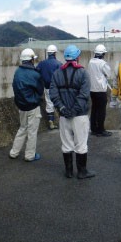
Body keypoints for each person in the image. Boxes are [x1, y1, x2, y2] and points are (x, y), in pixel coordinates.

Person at [49, 45, 95, 179]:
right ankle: (82, 172)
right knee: (81, 144)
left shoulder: (57, 73)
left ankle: (68, 171)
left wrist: (62, 108)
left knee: (66, 144)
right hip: (79, 115)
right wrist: (74, 110)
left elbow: (53, 93)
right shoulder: (83, 73)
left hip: (64, 116)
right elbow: (84, 94)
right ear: (77, 57)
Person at [9, 48, 44, 161]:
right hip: (33, 106)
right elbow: (40, 91)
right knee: (32, 132)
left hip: (21, 106)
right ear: (31, 60)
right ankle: (30, 155)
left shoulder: (17, 72)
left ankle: (14, 152)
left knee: (22, 128)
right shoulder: (35, 74)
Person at [87, 44, 112, 137]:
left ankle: (93, 129)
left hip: (92, 90)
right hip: (101, 90)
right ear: (102, 54)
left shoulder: (90, 62)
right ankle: (101, 130)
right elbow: (109, 74)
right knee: (101, 111)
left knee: (94, 109)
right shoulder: (102, 63)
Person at [36, 44, 62, 130]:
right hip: (57, 87)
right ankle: (63, 122)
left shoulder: (42, 63)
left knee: (49, 103)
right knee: (59, 103)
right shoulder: (59, 64)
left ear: (48, 53)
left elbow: (36, 72)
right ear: (55, 53)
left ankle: (51, 121)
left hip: (46, 87)